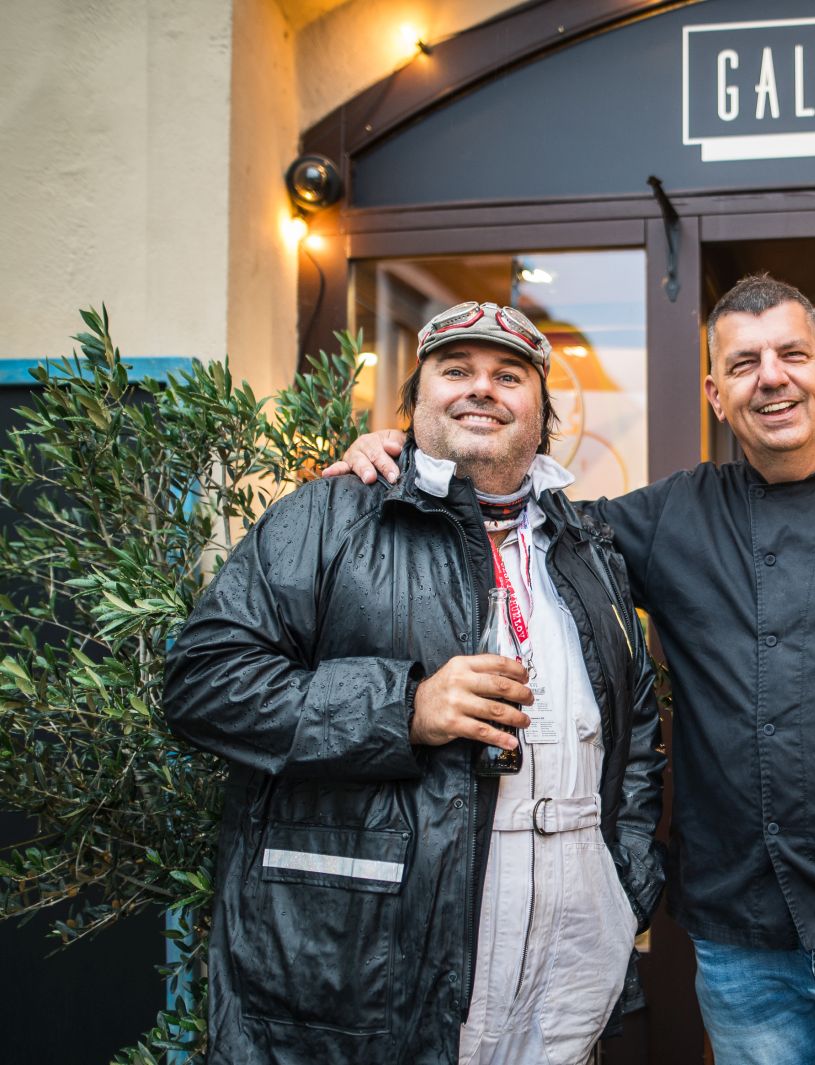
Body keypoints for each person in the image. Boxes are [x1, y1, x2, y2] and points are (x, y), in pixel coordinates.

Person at [331, 275, 815, 1063]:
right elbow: (520, 523)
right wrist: (406, 456)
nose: (771, 377)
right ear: (716, 394)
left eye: (792, 355)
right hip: (741, 935)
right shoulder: (670, 516)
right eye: (743, 363)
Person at [165, 301, 665, 1065]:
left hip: (568, 966)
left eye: (509, 375)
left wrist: (627, 881)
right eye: (455, 370)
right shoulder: (330, 515)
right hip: (375, 971)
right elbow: (203, 682)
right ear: (414, 402)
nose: (481, 387)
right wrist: (403, 708)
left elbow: (636, 730)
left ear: (542, 414)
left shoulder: (586, 544)